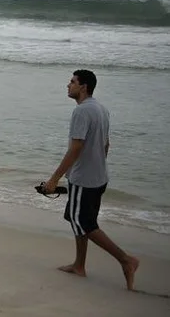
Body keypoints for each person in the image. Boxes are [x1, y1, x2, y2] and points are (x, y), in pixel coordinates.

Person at [43, 69, 140, 290]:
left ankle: (126, 260)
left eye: (72, 82)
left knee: (83, 222)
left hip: (84, 179)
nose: (68, 85)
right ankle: (79, 265)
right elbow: (106, 145)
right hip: (99, 177)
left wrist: (54, 179)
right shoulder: (102, 109)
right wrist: (97, 165)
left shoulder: (81, 112)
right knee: (77, 217)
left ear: (83, 86)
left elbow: (76, 147)